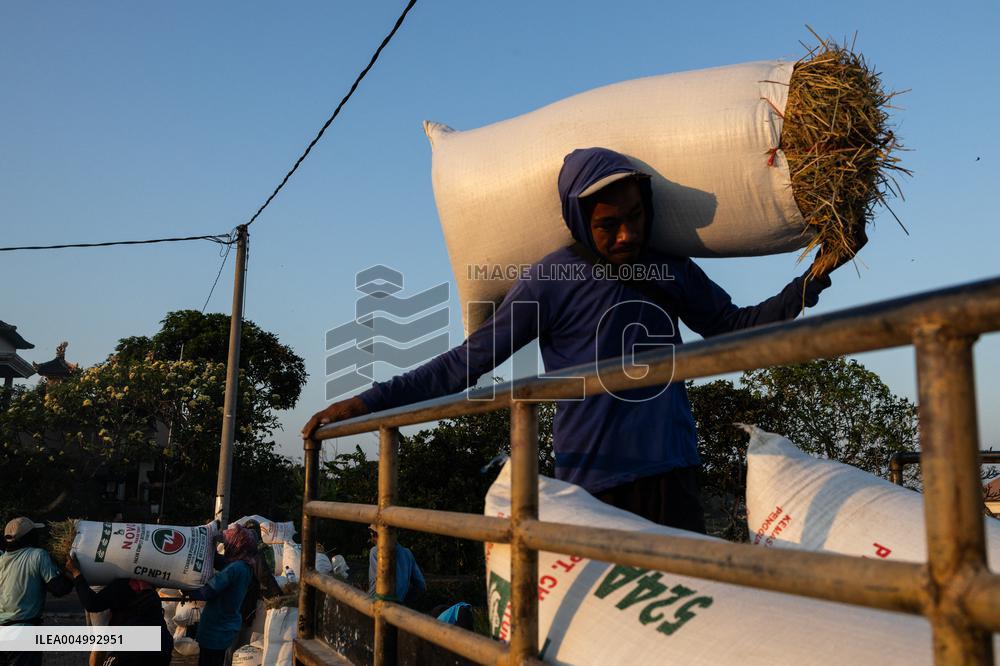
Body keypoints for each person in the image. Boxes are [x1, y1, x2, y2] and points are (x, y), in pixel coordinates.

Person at [303, 147, 863, 531]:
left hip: (674, 472)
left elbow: (732, 329)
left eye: (635, 216)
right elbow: (467, 363)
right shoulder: (550, 281)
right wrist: (370, 401)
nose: (626, 234)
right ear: (578, 220)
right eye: (607, 225)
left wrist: (813, 279)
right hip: (594, 483)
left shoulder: (668, 267)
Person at [63, 555, 173, 666]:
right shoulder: (149, 586)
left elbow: (92, 604)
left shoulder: (123, 586)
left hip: (136, 652)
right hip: (162, 650)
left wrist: (76, 573)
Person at [0, 517, 73, 666]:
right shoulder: (38, 555)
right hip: (23, 634)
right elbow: (60, 588)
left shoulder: (1, 559)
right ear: (29, 536)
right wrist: (73, 572)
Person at [185, 525, 255, 666]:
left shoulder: (234, 568)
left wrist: (187, 590)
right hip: (226, 626)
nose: (227, 545)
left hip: (216, 628)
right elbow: (217, 560)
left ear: (237, 544)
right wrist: (209, 543)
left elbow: (207, 592)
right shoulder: (244, 565)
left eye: (229, 542)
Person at [366, 525, 425, 606]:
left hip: (380, 604)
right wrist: (404, 602)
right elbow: (421, 585)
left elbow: (375, 584)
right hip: (400, 604)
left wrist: (367, 603)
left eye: (373, 533)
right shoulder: (407, 553)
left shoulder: (375, 551)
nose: (372, 537)